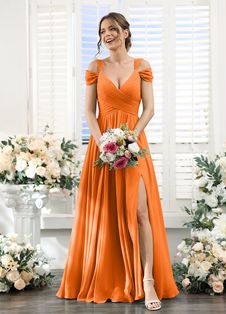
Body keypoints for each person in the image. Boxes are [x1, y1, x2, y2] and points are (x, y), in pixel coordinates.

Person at [56, 11, 179, 311]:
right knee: (105, 214)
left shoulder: (142, 66)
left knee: (140, 213)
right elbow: (89, 111)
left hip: (135, 147)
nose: (106, 34)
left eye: (112, 29)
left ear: (126, 32)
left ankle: (147, 280)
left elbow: (148, 109)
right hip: (102, 149)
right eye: (102, 31)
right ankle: (106, 276)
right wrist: (103, 144)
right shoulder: (95, 67)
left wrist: (130, 138)